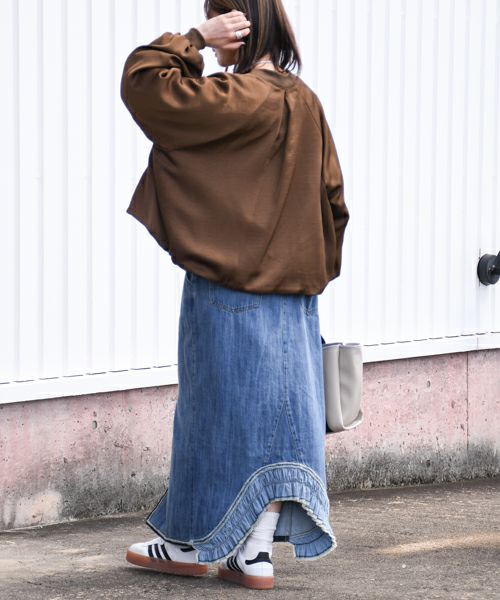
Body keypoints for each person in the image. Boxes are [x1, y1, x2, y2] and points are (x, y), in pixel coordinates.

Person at [120, 0, 349, 591]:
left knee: (213, 420)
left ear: (237, 25)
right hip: (294, 298)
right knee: (280, 423)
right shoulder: (305, 102)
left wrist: (195, 37)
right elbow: (333, 201)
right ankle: (254, 553)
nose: (217, 45)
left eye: (219, 21)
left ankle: (191, 543)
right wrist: (303, 272)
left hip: (228, 293)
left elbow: (144, 83)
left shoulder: (235, 97)